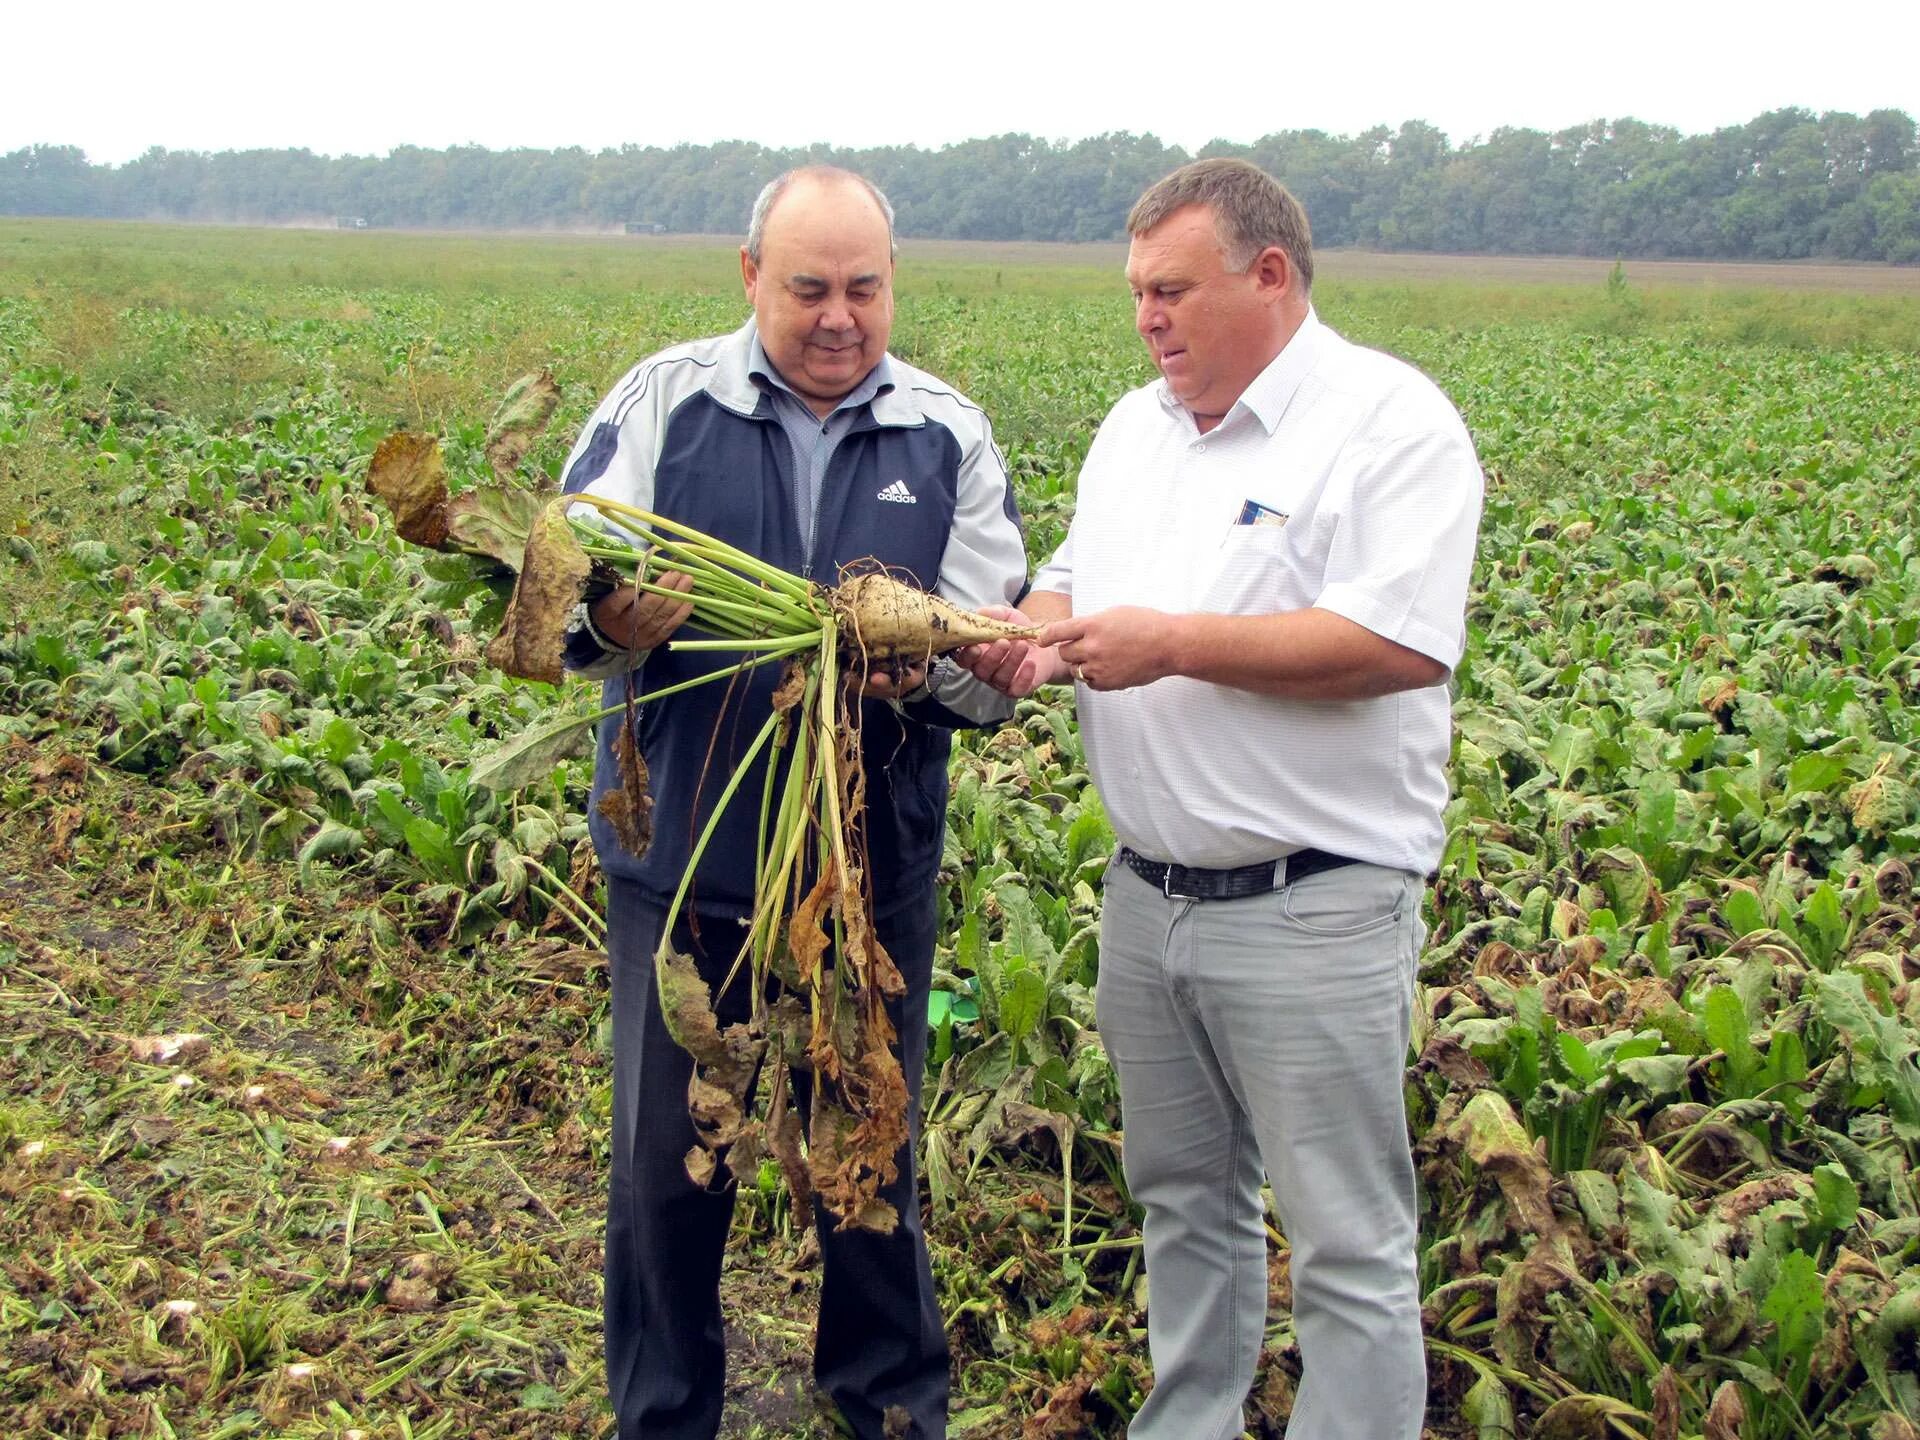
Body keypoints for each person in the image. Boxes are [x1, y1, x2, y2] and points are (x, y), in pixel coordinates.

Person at [956, 158, 1483, 1440]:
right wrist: (1024, 632)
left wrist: (1174, 644)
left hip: (1314, 903)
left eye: (1172, 290)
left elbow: (1393, 644)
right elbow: (1075, 577)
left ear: (1270, 275)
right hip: (1149, 899)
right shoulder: (1139, 428)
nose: (1148, 318)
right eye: (1137, 292)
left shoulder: (1389, 424)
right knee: (1183, 1201)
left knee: (1347, 1243)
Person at [558, 166, 1028, 1440]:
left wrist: (938, 668)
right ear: (750, 278)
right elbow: (549, 599)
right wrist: (605, 618)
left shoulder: (949, 433)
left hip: (868, 869)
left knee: (872, 1152)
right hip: (692, 864)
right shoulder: (662, 404)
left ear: (892, 286)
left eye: (864, 288)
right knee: (668, 1169)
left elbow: (996, 664)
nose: (839, 316)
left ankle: (884, 1407)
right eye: (809, 287)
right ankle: (665, 1415)